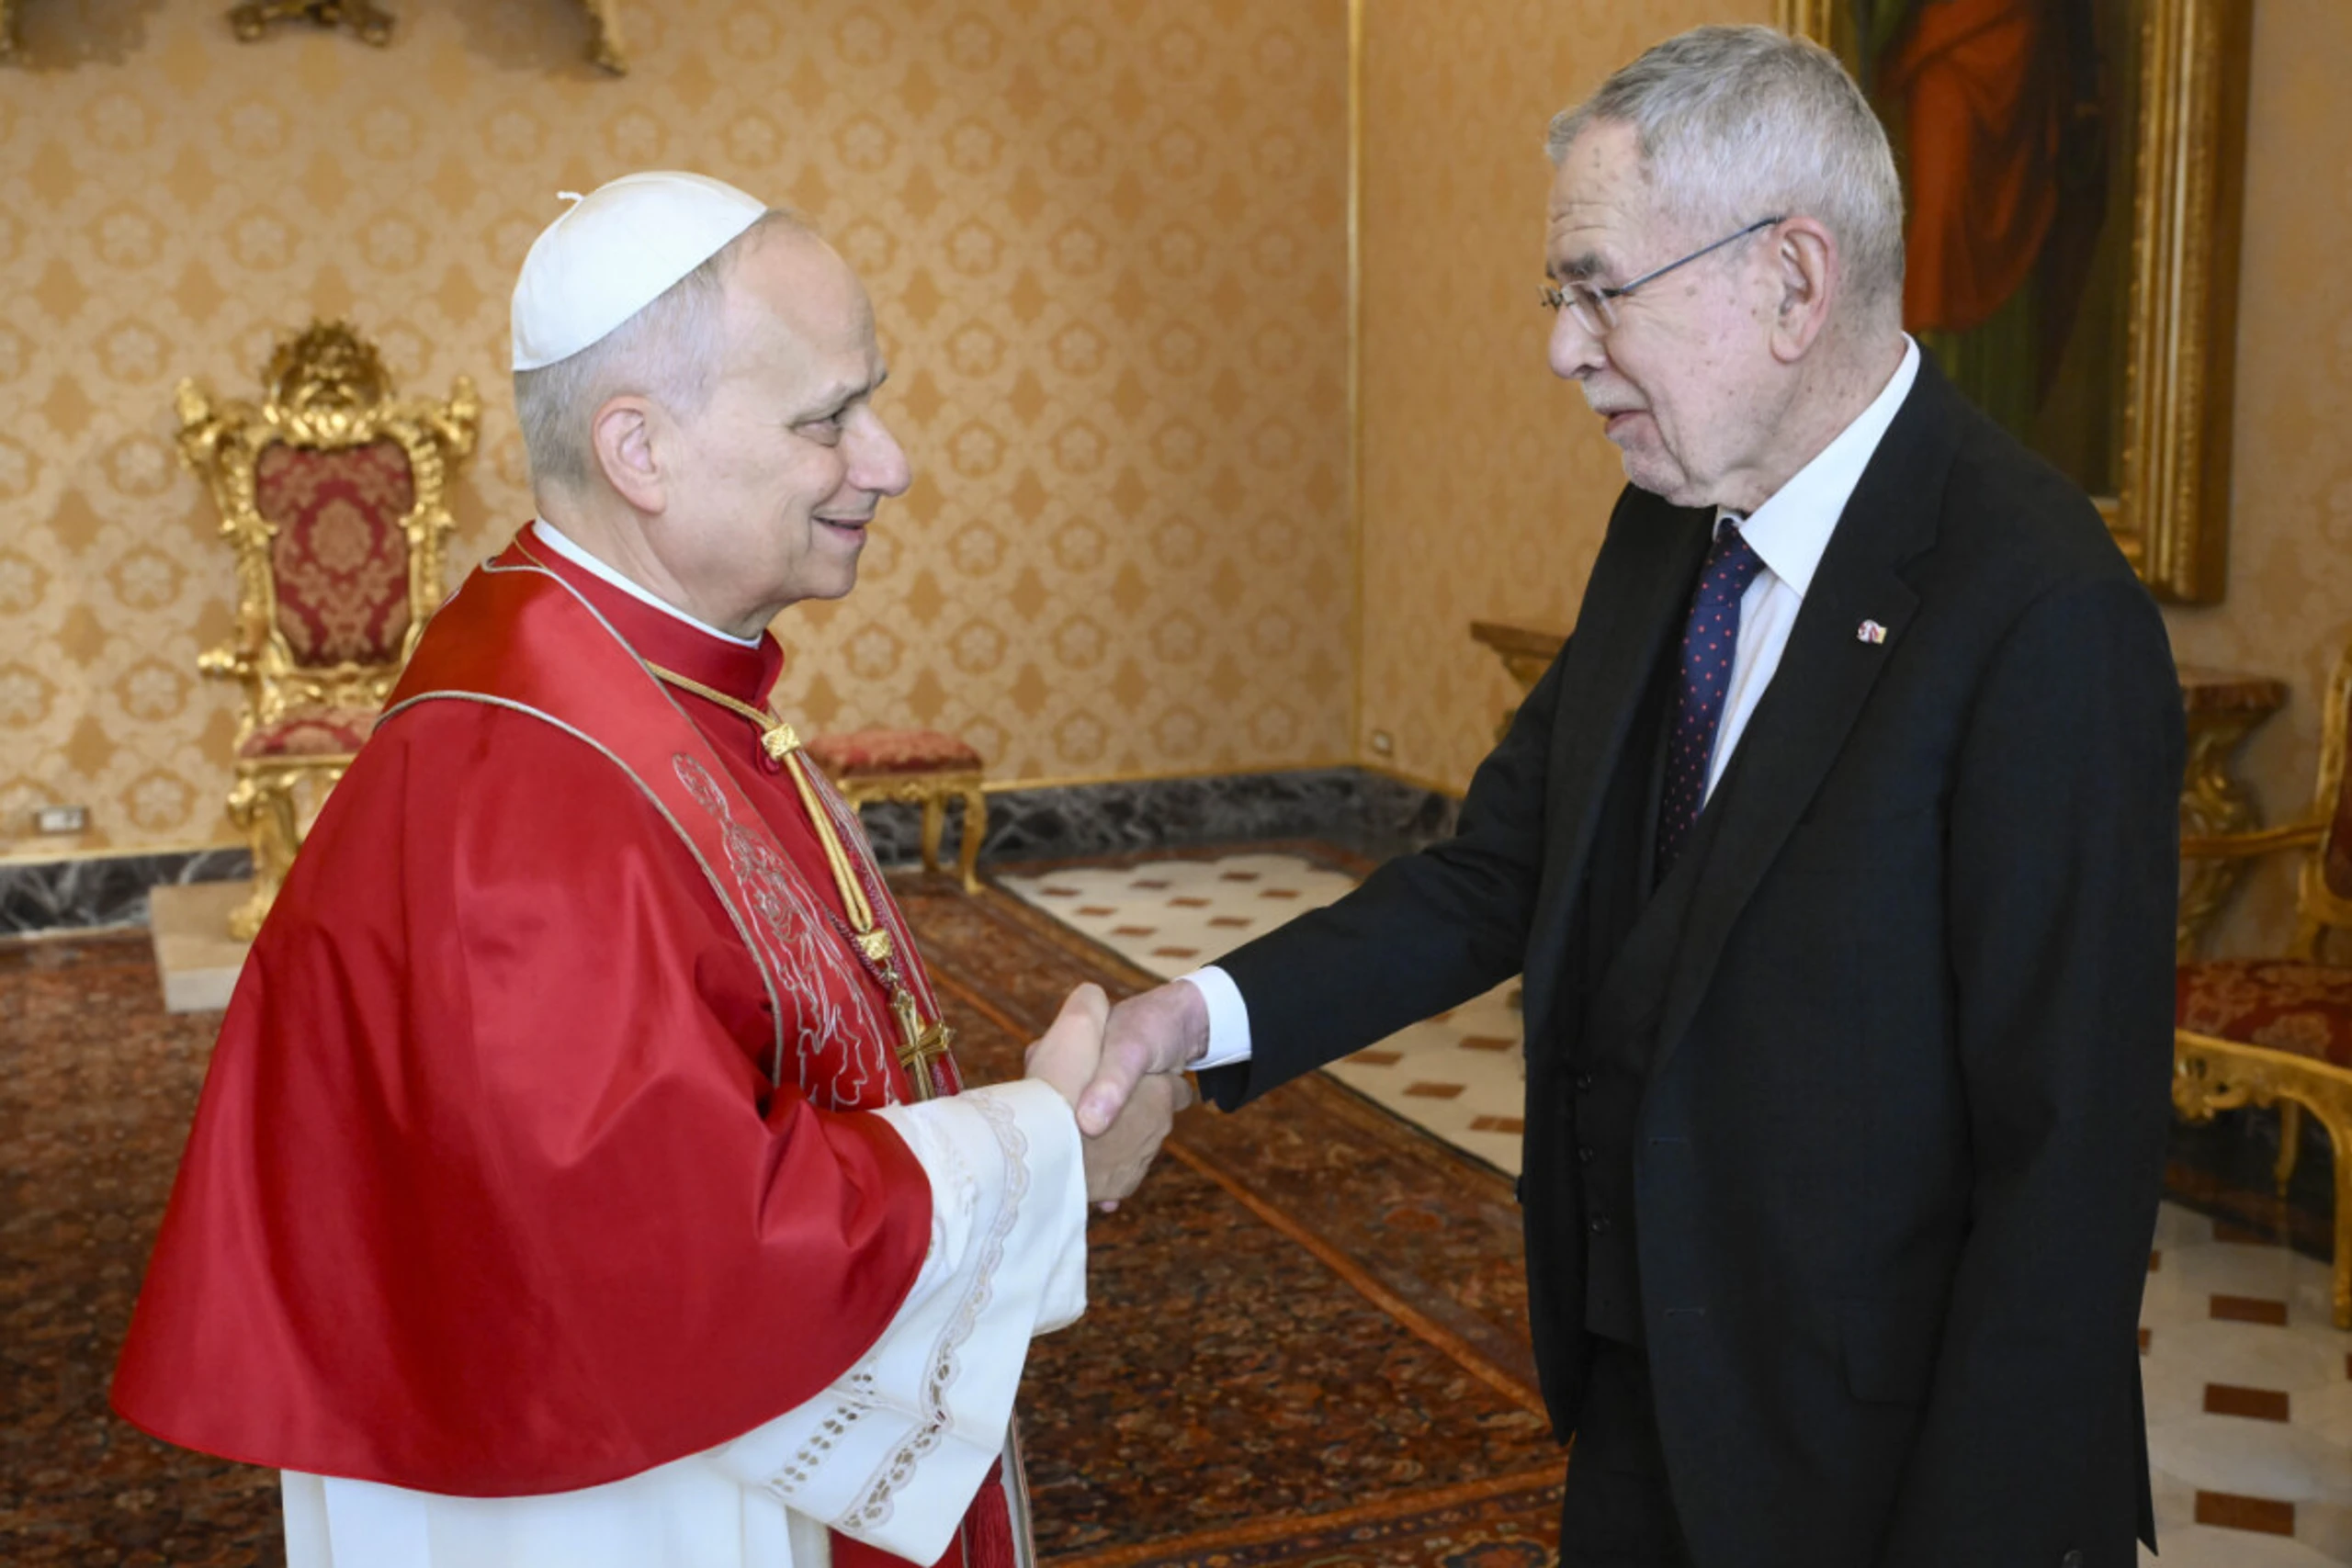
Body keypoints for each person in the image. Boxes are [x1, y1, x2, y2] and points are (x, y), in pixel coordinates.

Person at [1080, 28, 2181, 1568]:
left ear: (1793, 284)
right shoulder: (1668, 528)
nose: (1565, 348)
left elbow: (2070, 1161)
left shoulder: (2037, 608)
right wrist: (1191, 1022)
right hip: (1645, 1387)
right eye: (1561, 297)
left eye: (1600, 288)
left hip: (1882, 1460)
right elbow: (1496, 871)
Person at [112, 171, 1189, 1568]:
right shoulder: (529, 793)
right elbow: (695, 1257)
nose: (891, 459)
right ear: (639, 449)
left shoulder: (641, 674)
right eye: (827, 419)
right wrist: (1053, 1143)